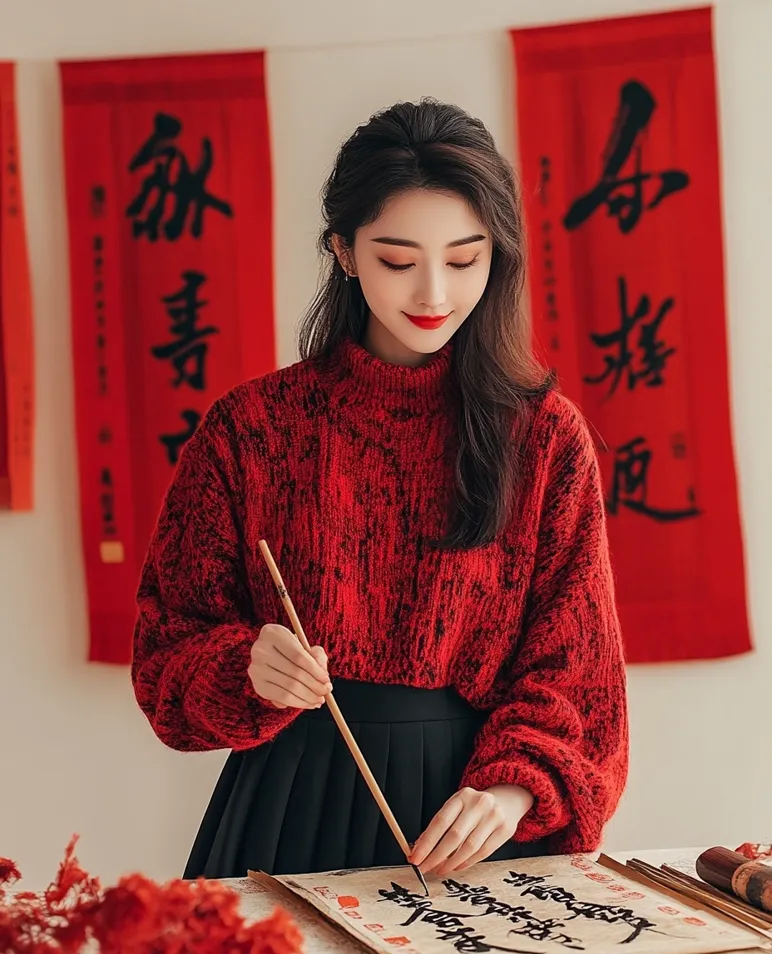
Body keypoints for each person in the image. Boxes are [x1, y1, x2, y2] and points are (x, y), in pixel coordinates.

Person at [131, 98, 628, 882]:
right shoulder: (252, 428)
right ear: (345, 251)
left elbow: (579, 677)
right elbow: (166, 653)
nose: (433, 293)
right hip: (290, 807)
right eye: (399, 261)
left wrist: (513, 790)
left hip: (475, 821)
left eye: (464, 261)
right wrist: (246, 668)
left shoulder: (544, 437)